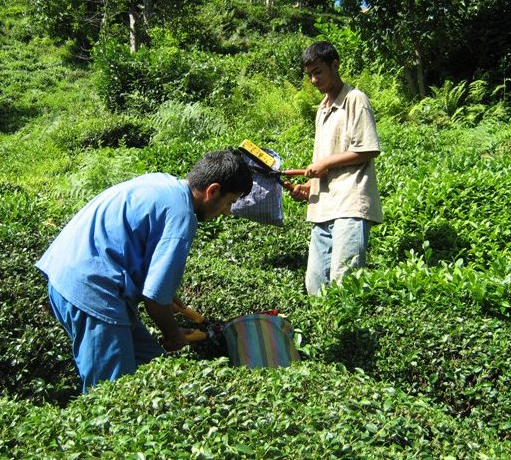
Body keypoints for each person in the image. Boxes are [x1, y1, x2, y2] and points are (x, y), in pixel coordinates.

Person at [35, 149, 253, 391]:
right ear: (213, 191)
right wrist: (173, 335)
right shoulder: (182, 217)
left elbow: (143, 261)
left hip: (64, 272)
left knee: (150, 365)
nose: (226, 212)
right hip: (92, 292)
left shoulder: (162, 182)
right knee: (111, 393)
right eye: (229, 202)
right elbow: (155, 299)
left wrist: (167, 297)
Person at [290, 41, 383, 295]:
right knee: (315, 284)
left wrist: (324, 164)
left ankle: (349, 334)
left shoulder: (355, 99)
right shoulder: (322, 110)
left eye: (318, 72)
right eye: (309, 74)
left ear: (335, 65)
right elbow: (325, 157)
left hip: (350, 204)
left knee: (345, 282)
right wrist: (308, 187)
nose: (313, 80)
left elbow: (368, 149)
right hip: (323, 207)